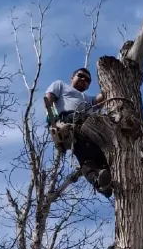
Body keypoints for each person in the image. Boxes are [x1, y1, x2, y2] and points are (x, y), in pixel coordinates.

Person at [44, 68, 112, 198]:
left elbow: (100, 99)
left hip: (89, 127)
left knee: (98, 157)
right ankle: (99, 181)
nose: (83, 80)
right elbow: (49, 98)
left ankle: (105, 182)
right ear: (72, 76)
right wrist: (52, 118)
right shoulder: (60, 85)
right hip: (69, 122)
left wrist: (110, 85)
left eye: (87, 80)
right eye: (80, 76)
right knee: (83, 153)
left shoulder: (87, 98)